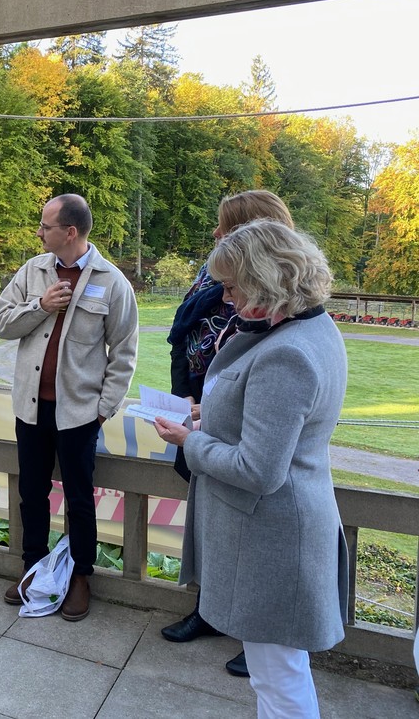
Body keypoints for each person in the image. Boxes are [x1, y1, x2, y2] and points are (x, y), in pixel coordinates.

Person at [155, 219, 348, 719]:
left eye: (232, 286)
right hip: (271, 531)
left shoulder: (288, 354)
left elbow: (259, 470)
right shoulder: (309, 325)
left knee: (278, 679)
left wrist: (191, 441)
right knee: (277, 674)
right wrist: (210, 414)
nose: (227, 298)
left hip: (273, 538)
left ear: (267, 280)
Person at [162, 190, 295, 677]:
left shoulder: (280, 312)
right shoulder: (217, 271)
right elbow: (186, 334)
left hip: (242, 416)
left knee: (253, 531)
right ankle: (213, 610)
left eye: (225, 226)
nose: (215, 233)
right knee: (213, 519)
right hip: (203, 403)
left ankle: (257, 633)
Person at [0, 194, 138, 620]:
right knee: (31, 493)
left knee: (79, 499)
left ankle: (80, 576)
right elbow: (2, 324)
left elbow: (125, 352)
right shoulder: (32, 271)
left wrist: (102, 409)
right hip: (31, 410)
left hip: (78, 415)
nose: (39, 232)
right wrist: (41, 306)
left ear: (70, 232)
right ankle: (34, 569)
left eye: (46, 225)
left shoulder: (111, 282)